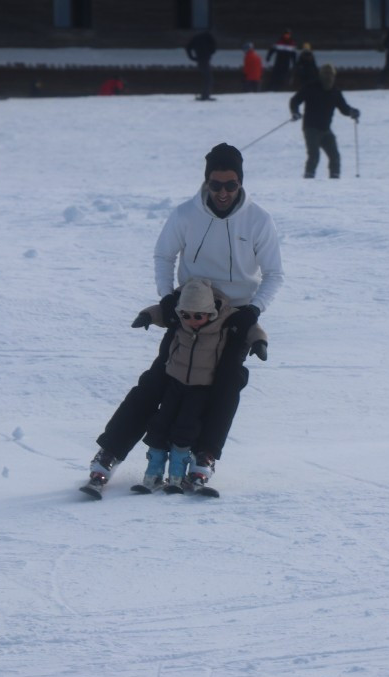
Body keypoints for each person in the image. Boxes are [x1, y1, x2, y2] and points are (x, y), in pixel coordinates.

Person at [86, 143, 284, 494]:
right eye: (216, 184)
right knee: (157, 381)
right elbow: (164, 255)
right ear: (206, 182)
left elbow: (274, 274)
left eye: (231, 185)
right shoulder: (184, 215)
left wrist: (254, 310)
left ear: (241, 183)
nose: (223, 193)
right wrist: (168, 299)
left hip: (235, 317)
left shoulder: (259, 220)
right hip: (189, 310)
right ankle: (109, 454)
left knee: (227, 384)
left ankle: (204, 456)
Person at [106, 277, 268, 496]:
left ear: (210, 313)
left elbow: (252, 327)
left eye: (198, 316)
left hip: (201, 387)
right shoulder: (179, 319)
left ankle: (189, 472)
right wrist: (146, 316)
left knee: (186, 429)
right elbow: (160, 312)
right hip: (175, 382)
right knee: (160, 427)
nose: (192, 320)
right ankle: (152, 474)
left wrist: (259, 342)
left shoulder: (226, 320)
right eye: (186, 315)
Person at [289, 64, 360, 179]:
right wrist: (295, 111)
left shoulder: (335, 92)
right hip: (311, 128)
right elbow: (295, 100)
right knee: (314, 156)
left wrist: (352, 112)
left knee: (335, 156)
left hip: (325, 129)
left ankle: (334, 181)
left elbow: (344, 108)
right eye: (326, 75)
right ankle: (308, 181)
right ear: (320, 76)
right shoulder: (311, 88)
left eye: (331, 75)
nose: (329, 78)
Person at [186, 29, 217, 100]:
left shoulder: (196, 37)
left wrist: (192, 57)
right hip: (204, 59)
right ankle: (205, 96)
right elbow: (214, 47)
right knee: (209, 78)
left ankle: (205, 95)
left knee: (206, 77)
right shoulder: (208, 36)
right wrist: (210, 53)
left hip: (200, 59)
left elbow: (188, 47)